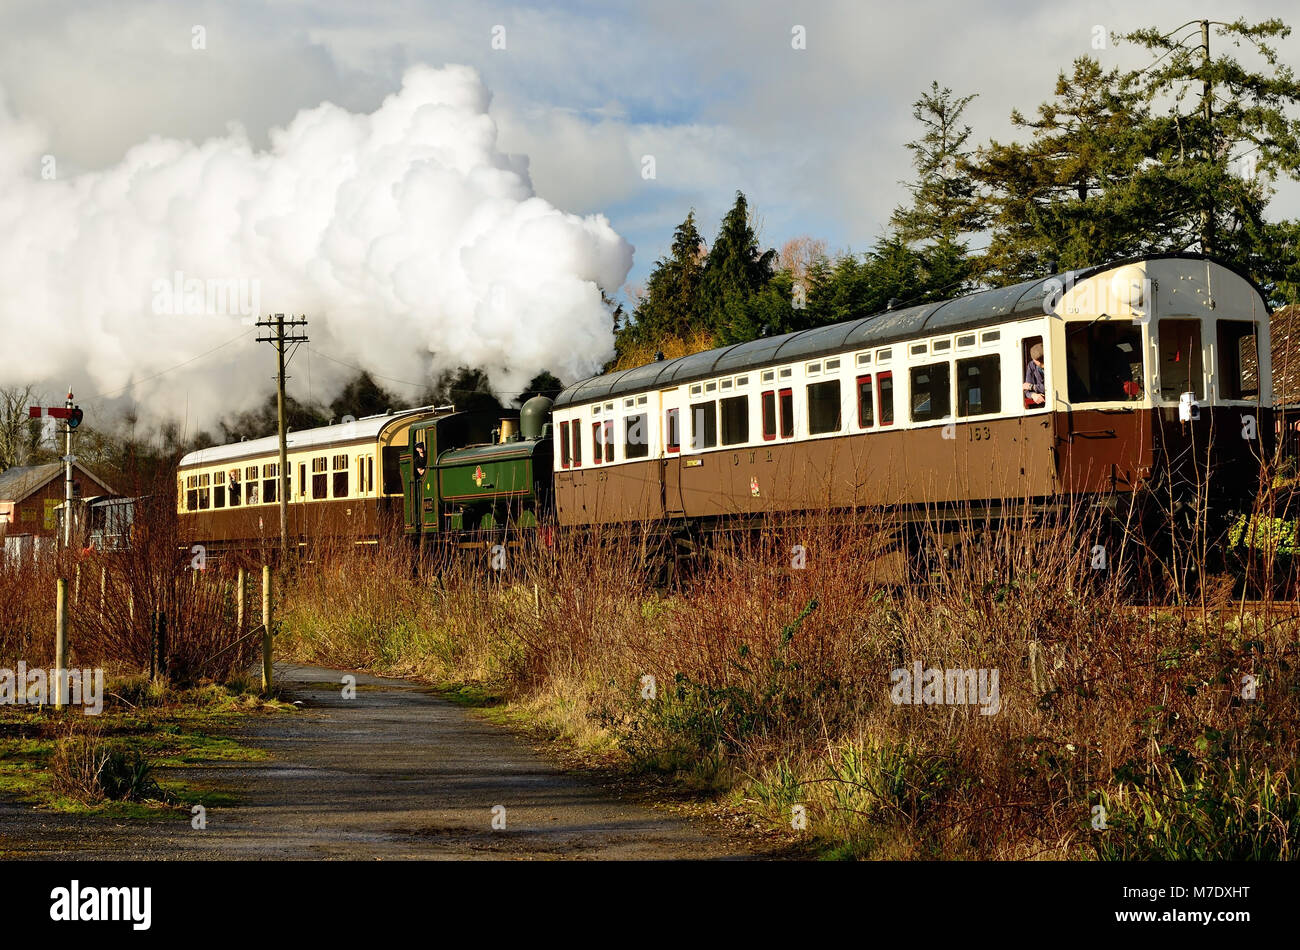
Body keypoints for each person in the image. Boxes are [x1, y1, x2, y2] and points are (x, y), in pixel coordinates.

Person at [1023, 342, 1046, 406]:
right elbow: (1026, 389)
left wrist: (1032, 387)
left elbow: (1050, 387)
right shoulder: (1031, 365)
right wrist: (1033, 395)